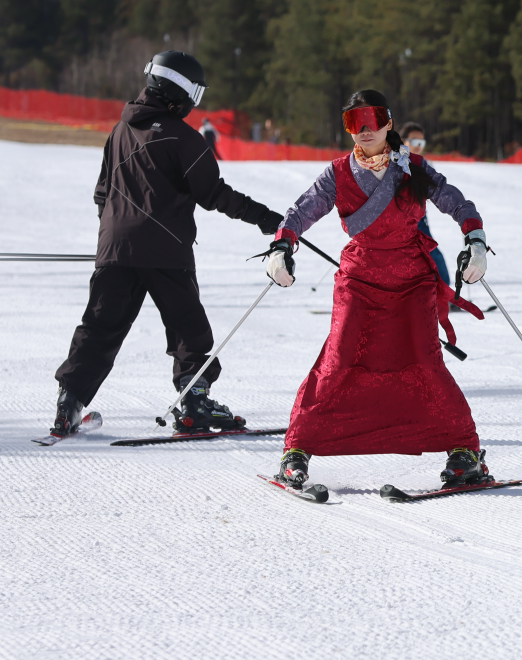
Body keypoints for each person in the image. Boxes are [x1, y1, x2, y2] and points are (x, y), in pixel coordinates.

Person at [263, 91, 492, 490]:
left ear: (389, 123)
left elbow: (455, 201)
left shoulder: (414, 169)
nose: (364, 130)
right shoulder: (337, 173)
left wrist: (474, 237)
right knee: (338, 359)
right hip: (360, 279)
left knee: (424, 361)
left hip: (411, 281)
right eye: (354, 122)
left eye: (372, 120)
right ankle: (296, 449)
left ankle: (464, 450)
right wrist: (284, 243)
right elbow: (303, 209)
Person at [51, 51, 285, 438]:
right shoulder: (183, 138)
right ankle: (194, 402)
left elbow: (101, 193)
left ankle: (68, 402)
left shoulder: (119, 131)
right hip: (167, 252)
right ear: (178, 90)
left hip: (116, 250)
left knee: (100, 327)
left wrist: (115, 237)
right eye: (195, 91)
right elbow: (214, 195)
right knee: (187, 330)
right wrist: (268, 219)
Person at [400, 122, 452, 285]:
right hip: (391, 217)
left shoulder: (425, 164)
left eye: (421, 143)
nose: (418, 147)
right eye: (414, 142)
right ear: (402, 141)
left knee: (431, 252)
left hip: (417, 218)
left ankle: (447, 295)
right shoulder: (389, 162)